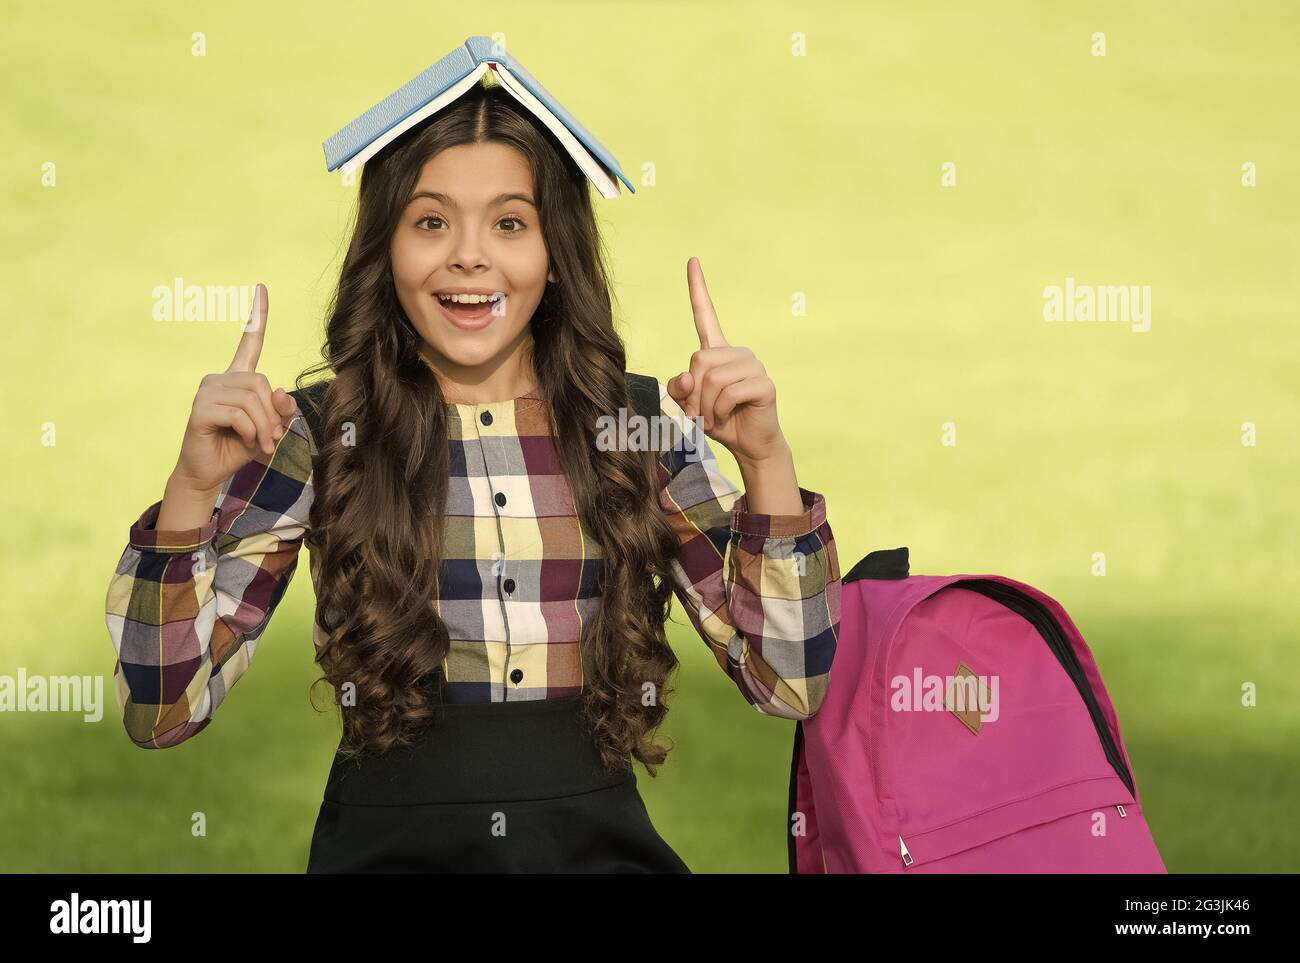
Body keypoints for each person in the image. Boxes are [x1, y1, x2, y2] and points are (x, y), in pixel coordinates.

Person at [103, 79, 840, 873]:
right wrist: (191, 491)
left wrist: (766, 460)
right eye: (430, 221)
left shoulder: (634, 427)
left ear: (556, 253)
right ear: (386, 250)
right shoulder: (318, 435)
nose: (469, 254)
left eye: (510, 223)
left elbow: (789, 682)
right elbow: (161, 708)